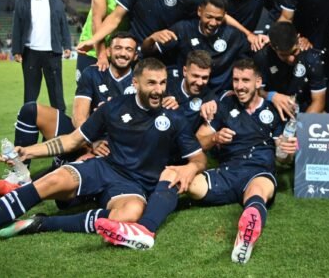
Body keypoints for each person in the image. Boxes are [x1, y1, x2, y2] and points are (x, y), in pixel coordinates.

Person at [0, 58, 206, 261]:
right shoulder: (113, 108)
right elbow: (72, 140)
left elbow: (199, 158)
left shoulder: (174, 118)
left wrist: (191, 167)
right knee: (51, 180)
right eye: (151, 83)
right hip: (103, 168)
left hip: (133, 186)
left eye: (163, 83)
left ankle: (41, 223)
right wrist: (29, 151)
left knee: (129, 215)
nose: (158, 90)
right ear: (135, 82)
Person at [91, 59, 297, 264]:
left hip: (258, 172)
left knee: (256, 193)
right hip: (226, 173)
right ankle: (144, 230)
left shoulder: (273, 110)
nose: (240, 86)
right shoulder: (223, 106)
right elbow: (199, 141)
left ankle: (246, 234)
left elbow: (282, 157)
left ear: (258, 82)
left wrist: (286, 152)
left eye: (245, 80)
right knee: (172, 173)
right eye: (236, 80)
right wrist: (215, 138)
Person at [0, 32, 139, 196]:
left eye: (128, 49)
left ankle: (62, 167)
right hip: (83, 136)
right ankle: (19, 175)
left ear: (135, 55)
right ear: (108, 51)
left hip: (110, 149)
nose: (123, 53)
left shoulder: (140, 82)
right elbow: (78, 117)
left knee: (68, 195)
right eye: (118, 48)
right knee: (30, 110)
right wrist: (92, 141)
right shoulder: (92, 73)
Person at [142, 0, 250, 94]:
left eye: (218, 19)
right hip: (186, 91)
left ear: (224, 16)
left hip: (218, 93)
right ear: (199, 11)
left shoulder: (233, 36)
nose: (213, 23)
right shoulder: (183, 29)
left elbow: (246, 65)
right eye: (209, 17)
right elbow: (147, 51)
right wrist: (151, 39)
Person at [11, 0, 72, 111]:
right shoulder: (21, 2)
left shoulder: (57, 1)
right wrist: (16, 51)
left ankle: (60, 118)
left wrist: (67, 45)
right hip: (30, 53)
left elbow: (63, 24)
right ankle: (28, 117)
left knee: (56, 90)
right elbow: (17, 28)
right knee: (30, 90)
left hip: (53, 53)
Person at [254, 21, 327, 117]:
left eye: (294, 51)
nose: (291, 59)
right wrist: (272, 96)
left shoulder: (312, 58)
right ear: (272, 47)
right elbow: (256, 91)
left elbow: (318, 102)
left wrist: (301, 125)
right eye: (284, 55)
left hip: (304, 111)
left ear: (298, 38)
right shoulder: (263, 57)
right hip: (271, 112)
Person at [164, 50, 216, 134]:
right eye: (195, 76)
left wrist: (210, 117)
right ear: (185, 71)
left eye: (204, 77)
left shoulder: (209, 98)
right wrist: (161, 106)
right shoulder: (167, 87)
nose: (199, 82)